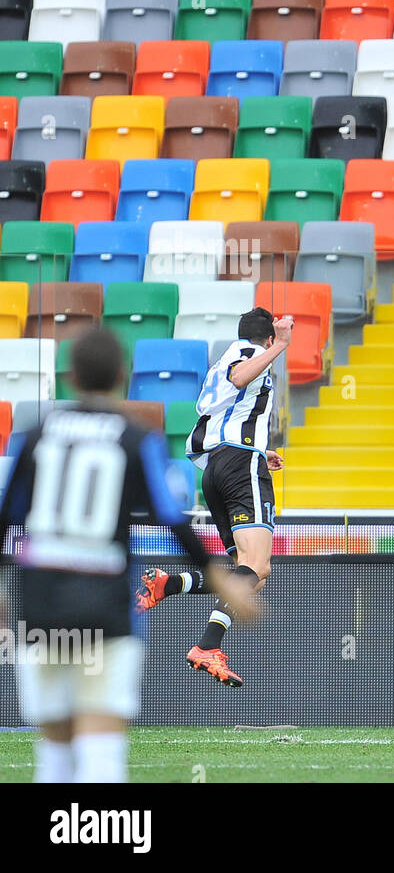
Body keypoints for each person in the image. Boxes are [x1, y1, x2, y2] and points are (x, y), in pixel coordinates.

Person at [0, 328, 254, 782]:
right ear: (122, 376)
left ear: (70, 376)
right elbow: (172, 520)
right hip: (107, 608)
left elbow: (6, 519)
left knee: (54, 747)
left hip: (41, 607)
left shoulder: (34, 435)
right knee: (101, 743)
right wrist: (219, 577)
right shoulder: (135, 439)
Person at [136, 307, 291, 688]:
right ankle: (207, 646)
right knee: (256, 564)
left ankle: (169, 585)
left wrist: (257, 449)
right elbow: (242, 378)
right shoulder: (252, 355)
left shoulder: (221, 360)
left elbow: (227, 407)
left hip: (217, 467)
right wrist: (283, 345)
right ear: (267, 338)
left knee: (254, 572)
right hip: (239, 468)